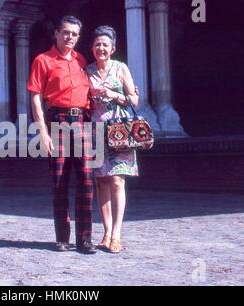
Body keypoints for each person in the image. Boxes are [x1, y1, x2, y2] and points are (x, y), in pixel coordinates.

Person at [27, 16, 97, 254]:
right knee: (60, 181)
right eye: (66, 32)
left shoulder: (81, 60)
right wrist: (43, 132)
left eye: (75, 34)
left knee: (87, 180)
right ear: (56, 33)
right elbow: (35, 96)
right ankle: (63, 238)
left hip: (81, 122)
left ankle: (85, 239)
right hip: (57, 120)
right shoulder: (43, 60)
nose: (70, 37)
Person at [85, 25, 139, 253]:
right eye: (97, 44)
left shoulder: (120, 68)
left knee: (117, 180)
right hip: (96, 131)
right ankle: (106, 232)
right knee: (101, 181)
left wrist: (113, 94)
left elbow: (135, 100)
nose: (101, 48)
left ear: (113, 48)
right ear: (92, 47)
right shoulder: (86, 71)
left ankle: (117, 234)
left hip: (119, 128)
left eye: (105, 44)